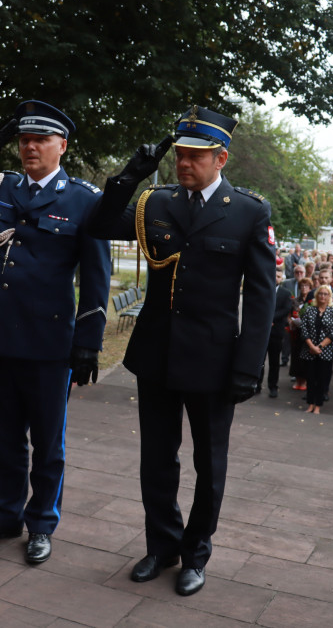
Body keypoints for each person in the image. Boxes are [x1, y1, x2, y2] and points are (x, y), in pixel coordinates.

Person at [87, 105, 275, 597]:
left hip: (215, 361)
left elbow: (260, 296)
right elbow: (101, 224)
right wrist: (130, 176)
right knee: (157, 459)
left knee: (209, 463)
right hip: (156, 355)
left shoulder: (250, 211)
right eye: (181, 154)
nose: (184, 163)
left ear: (221, 158)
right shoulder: (156, 203)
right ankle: (162, 546)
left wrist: (248, 366)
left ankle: (196, 553)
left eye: (196, 155)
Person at [0, 99, 111, 567]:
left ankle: (42, 524)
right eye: (24, 140)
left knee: (48, 443)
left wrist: (89, 342)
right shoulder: (0, 188)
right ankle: (5, 515)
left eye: (41, 140)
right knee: (5, 436)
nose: (30, 147)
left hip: (49, 341)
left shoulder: (85, 201)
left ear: (62, 146)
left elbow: (96, 277)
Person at [300, 285, 333, 414]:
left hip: (325, 352)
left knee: (322, 379)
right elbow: (304, 329)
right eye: (320, 294)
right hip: (309, 350)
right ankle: (310, 404)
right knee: (311, 378)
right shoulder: (309, 310)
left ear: (329, 297)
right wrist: (312, 346)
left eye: (325, 294)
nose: (323, 296)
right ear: (317, 296)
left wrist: (320, 346)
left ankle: (318, 405)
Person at [261, 264, 292, 398]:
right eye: (274, 276)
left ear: (282, 278)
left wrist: (271, 318)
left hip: (276, 331)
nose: (276, 279)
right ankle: (256, 384)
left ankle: (273, 386)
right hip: (262, 330)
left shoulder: (285, 293)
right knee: (259, 360)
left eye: (279, 277)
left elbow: (286, 309)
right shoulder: (263, 290)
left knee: (274, 361)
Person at [289, 277, 314, 391]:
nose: (304, 288)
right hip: (296, 332)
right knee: (296, 356)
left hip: (308, 333)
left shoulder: (312, 301)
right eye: (302, 286)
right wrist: (291, 322)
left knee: (306, 356)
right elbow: (289, 315)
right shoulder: (294, 300)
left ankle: (304, 381)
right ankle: (298, 379)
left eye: (306, 286)